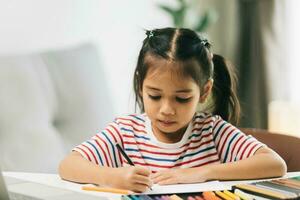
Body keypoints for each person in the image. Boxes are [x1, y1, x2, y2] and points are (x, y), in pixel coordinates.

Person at [59, 27, 287, 193]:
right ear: (140, 86)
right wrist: (111, 177)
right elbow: (68, 165)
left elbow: (275, 164)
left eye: (182, 98)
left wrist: (204, 172)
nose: (167, 109)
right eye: (155, 96)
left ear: (204, 92)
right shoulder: (125, 132)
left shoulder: (211, 132)